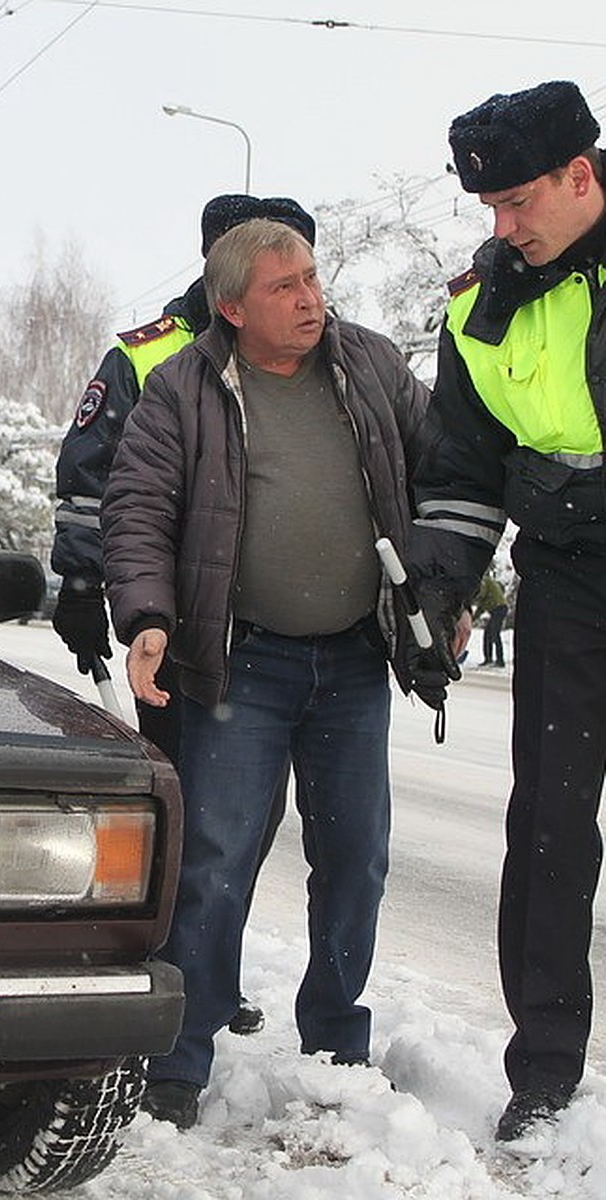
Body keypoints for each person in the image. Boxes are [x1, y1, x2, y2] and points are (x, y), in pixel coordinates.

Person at [101, 217, 437, 1130]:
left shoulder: (367, 367)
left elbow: (440, 466)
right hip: (241, 662)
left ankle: (336, 1041)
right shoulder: (182, 388)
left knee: (356, 858)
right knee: (213, 861)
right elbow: (136, 510)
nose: (309, 298)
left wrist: (437, 596)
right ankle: (179, 1055)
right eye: (285, 286)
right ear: (232, 306)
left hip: (356, 659)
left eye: (313, 278)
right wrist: (147, 618)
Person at [50, 195, 316, 1039]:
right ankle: (156, 969)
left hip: (265, 637)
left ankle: (205, 974)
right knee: (180, 812)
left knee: (245, 822)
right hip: (168, 628)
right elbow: (90, 475)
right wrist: (83, 586)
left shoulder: (300, 355)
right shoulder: (150, 356)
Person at [408, 79, 606, 1144]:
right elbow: (463, 475)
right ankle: (542, 1070)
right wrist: (443, 598)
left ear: (582, 176)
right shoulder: (477, 310)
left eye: (519, 200)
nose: (502, 227)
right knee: (550, 823)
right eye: (489, 208)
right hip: (572, 578)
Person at [472, 572, 509, 667]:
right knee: (487, 634)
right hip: (496, 610)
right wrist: (472, 620)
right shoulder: (484, 586)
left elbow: (481, 595)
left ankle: (500, 661)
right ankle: (488, 659)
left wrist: (472, 597)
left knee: (494, 634)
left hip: (499, 608)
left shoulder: (483, 581)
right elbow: (481, 608)